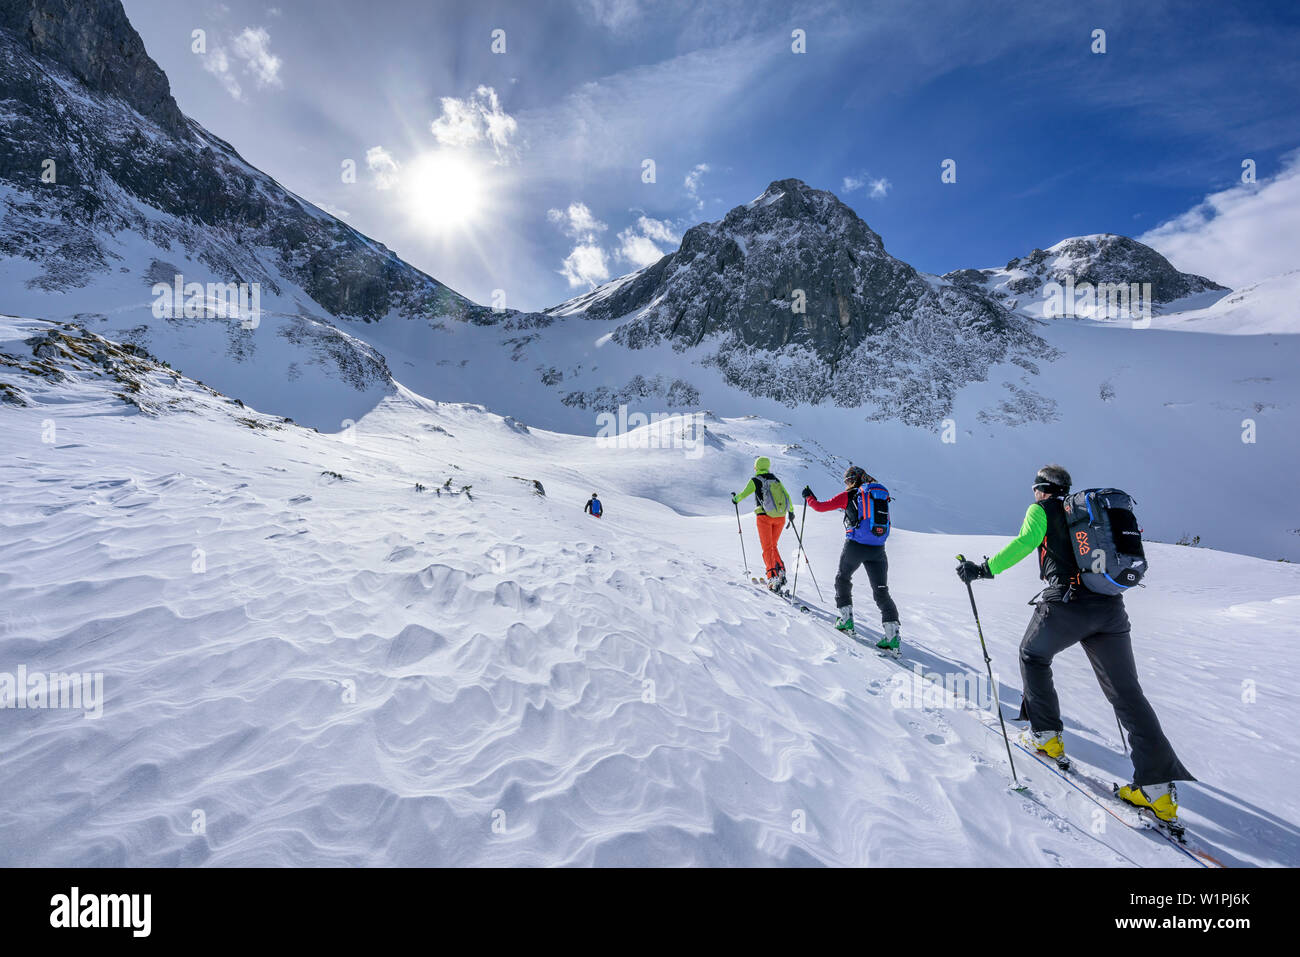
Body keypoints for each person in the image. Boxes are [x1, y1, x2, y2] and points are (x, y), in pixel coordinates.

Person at [956, 464, 1194, 823]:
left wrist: (984, 569)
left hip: (1066, 605)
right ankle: (1158, 792)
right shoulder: (1086, 515)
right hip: (1111, 611)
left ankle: (1047, 736)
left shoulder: (1041, 509)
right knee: (1127, 694)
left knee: (1032, 655)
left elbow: (1026, 542)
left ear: (1040, 488)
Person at [802, 465, 901, 653]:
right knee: (881, 591)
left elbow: (820, 507)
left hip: (855, 546)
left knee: (843, 578)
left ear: (853, 480)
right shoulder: (877, 494)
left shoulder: (850, 495)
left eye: (847, 480)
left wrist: (808, 496)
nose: (846, 483)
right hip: (878, 550)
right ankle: (892, 635)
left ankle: (846, 620)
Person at [732, 456, 795, 590]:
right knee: (773, 545)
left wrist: (735, 499)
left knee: (767, 547)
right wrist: (791, 512)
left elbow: (743, 494)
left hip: (764, 517)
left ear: (756, 467)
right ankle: (781, 571)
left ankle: (772, 577)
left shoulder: (755, 480)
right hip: (780, 517)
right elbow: (787, 496)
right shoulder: (775, 479)